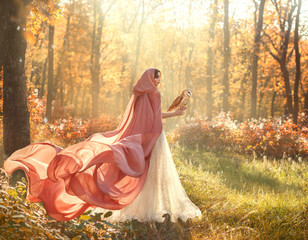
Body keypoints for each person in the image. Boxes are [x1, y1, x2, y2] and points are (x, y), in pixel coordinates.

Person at [4, 68, 201, 223]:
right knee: (153, 173)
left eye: (159, 79)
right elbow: (154, 117)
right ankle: (153, 206)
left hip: (142, 136)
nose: (158, 81)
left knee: (147, 174)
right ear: (150, 79)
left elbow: (144, 117)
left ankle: (146, 206)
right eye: (157, 78)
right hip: (152, 137)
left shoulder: (140, 94)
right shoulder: (154, 93)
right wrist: (175, 114)